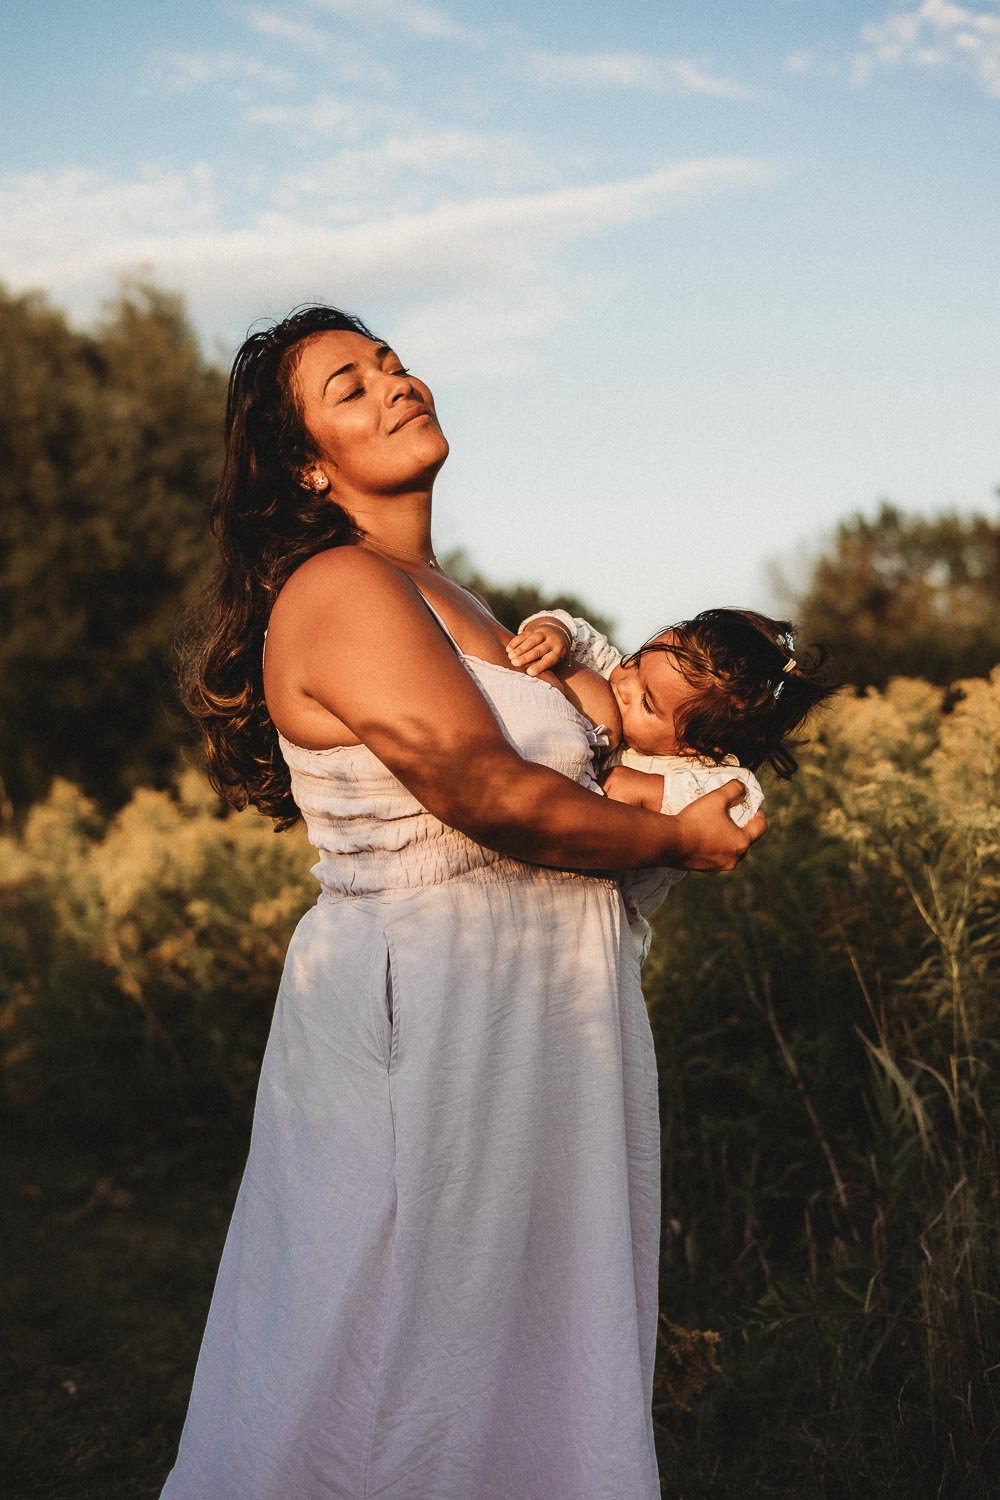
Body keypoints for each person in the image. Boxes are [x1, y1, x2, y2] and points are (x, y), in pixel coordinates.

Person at [161, 304, 768, 1500]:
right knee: (393, 1329)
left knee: (513, 1336)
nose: (394, 383)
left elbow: (590, 753)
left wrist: (707, 783)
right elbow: (484, 791)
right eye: (348, 386)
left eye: (390, 361)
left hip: (533, 1017)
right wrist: (667, 840)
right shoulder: (338, 585)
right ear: (305, 465)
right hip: (432, 1019)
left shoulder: (466, 601)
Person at [507, 606, 833, 957]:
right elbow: (579, 631)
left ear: (698, 747)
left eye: (646, 702)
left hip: (601, 928)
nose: (622, 682)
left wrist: (648, 790)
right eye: (636, 661)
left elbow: (742, 809)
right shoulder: (617, 675)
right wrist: (552, 631)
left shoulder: (706, 774)